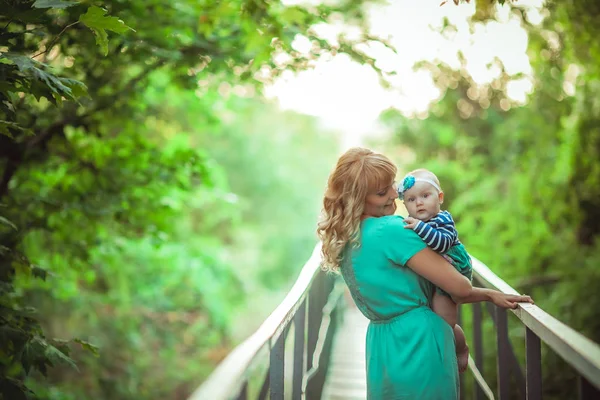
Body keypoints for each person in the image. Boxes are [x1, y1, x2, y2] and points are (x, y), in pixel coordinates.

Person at [317, 148, 533, 400]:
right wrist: (490, 295)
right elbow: (460, 287)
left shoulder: (346, 237)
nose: (393, 196)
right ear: (357, 197)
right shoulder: (392, 229)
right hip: (420, 341)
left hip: (381, 345)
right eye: (381, 192)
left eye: (391, 186)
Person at [399, 168, 471, 373]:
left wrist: (419, 228)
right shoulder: (420, 223)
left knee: (444, 321)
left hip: (454, 268)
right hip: (438, 270)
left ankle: (460, 347)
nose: (419, 202)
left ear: (439, 198)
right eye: (411, 199)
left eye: (425, 196)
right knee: (431, 315)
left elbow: (441, 243)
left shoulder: (442, 220)